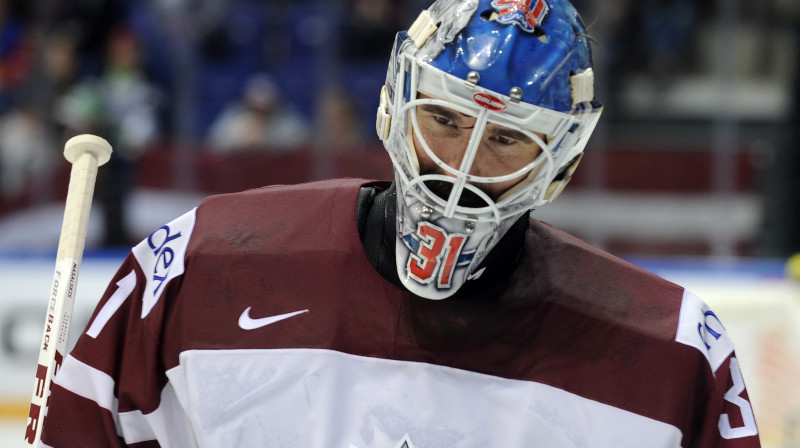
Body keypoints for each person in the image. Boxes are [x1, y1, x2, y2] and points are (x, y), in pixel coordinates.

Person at [37, 0, 762, 446]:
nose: (461, 167)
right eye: (443, 121)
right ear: (394, 102)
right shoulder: (202, 265)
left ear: (561, 162)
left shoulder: (672, 354)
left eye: (509, 141)